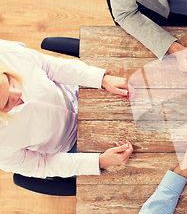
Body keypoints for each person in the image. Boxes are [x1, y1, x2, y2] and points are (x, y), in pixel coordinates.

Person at [0, 39, 134, 178]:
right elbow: (42, 164)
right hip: (69, 150)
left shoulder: (3, 53)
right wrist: (99, 162)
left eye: (9, 80)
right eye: (7, 102)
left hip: (78, 93)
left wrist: (101, 79)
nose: (19, 93)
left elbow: (49, 66)